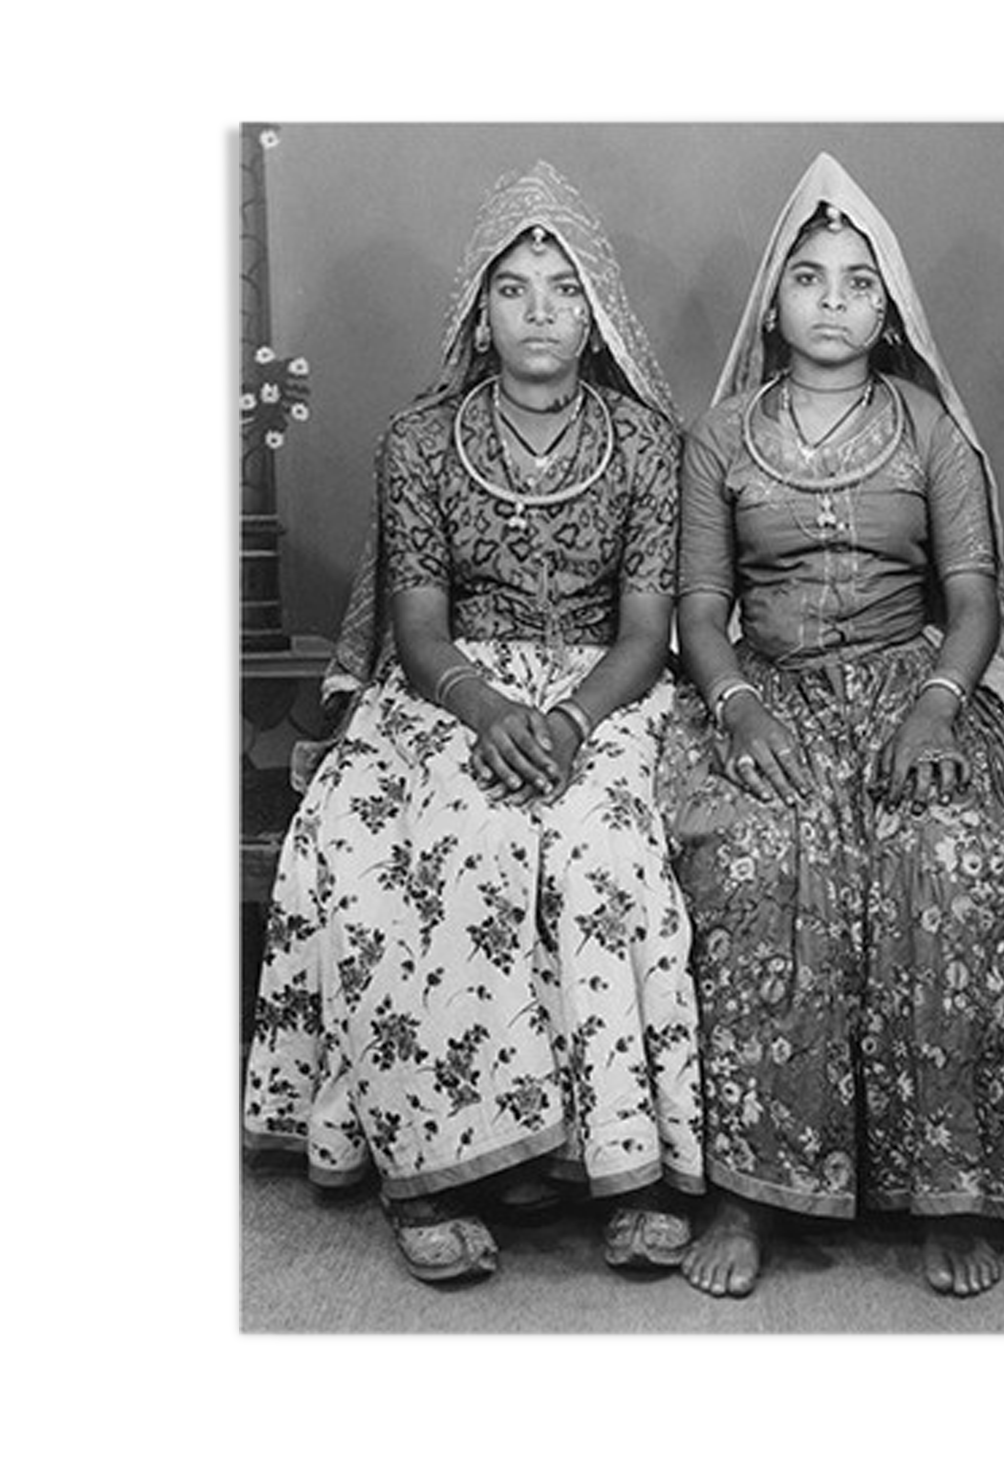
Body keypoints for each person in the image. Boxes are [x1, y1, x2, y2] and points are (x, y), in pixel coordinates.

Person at [660, 153, 1004, 1300]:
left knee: (955, 859)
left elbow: (974, 598)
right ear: (775, 300)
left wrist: (936, 704)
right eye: (809, 277)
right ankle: (748, 1192)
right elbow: (699, 609)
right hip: (767, 696)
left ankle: (950, 1187)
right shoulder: (718, 438)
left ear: (887, 304)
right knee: (758, 860)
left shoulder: (927, 428)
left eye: (858, 280)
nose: (834, 300)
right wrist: (737, 703)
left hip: (921, 690)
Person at [243, 161, 703, 1283]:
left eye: (560, 287)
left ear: (594, 314)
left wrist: (569, 718)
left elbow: (647, 630)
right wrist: (488, 708)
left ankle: (622, 1165)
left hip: (606, 691)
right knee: (389, 838)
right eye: (512, 287)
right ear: (477, 313)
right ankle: (437, 1166)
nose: (538, 308)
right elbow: (415, 623)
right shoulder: (417, 440)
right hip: (450, 686)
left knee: (603, 850)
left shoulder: (647, 444)